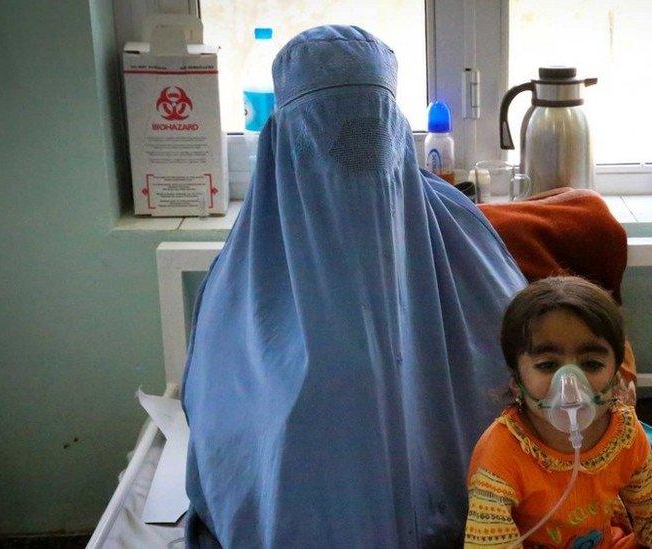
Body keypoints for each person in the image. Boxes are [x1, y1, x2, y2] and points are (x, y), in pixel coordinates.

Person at [182, 26, 526, 547]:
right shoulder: (247, 280)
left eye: (372, 136)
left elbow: (534, 353)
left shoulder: (460, 236)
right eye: (336, 137)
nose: (358, 159)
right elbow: (228, 432)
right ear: (283, 142)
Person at [464, 276, 652, 548]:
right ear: (517, 382)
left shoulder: (623, 435)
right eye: (547, 364)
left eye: (591, 363)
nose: (570, 382)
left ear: (615, 378)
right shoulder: (499, 454)